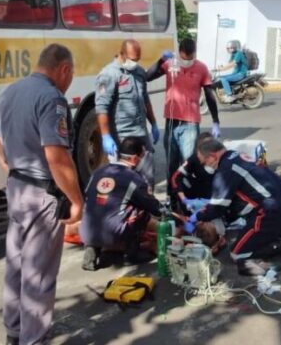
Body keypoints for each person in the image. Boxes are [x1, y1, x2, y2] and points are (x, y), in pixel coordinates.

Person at [0, 43, 83, 345]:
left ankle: (15, 331)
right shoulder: (51, 98)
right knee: (39, 272)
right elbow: (57, 156)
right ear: (63, 69)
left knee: (16, 264)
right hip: (41, 194)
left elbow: (0, 147)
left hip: (16, 188)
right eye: (71, 74)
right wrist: (76, 200)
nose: (69, 80)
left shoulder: (10, 93)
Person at [194, 137, 281, 276]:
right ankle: (280, 234)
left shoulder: (226, 170)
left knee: (238, 254)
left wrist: (197, 216)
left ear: (213, 156)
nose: (205, 166)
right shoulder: (237, 156)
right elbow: (235, 202)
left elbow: (216, 208)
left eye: (204, 162)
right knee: (249, 227)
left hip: (273, 211)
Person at [146, 38, 221, 184]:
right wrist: (161, 60)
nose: (187, 62)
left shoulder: (201, 68)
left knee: (188, 164)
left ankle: (187, 198)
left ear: (195, 53)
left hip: (190, 125)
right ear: (179, 53)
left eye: (190, 58)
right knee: (171, 165)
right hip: (171, 122)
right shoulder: (170, 64)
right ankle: (172, 199)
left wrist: (215, 120)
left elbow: (209, 95)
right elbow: (148, 77)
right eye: (184, 58)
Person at [80, 136, 161, 271]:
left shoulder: (98, 171)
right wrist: (165, 211)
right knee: (142, 211)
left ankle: (92, 249)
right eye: (143, 156)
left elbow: (88, 196)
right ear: (135, 158)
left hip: (86, 231)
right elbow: (153, 207)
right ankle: (131, 254)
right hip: (113, 235)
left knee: (98, 204)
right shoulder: (134, 179)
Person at [95, 39, 159, 187]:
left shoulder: (139, 72)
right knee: (123, 183)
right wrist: (105, 136)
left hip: (141, 135)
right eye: (132, 59)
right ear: (122, 54)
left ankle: (147, 208)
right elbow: (102, 108)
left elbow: (145, 99)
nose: (135, 63)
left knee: (147, 180)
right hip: (122, 138)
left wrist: (154, 123)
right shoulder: (109, 74)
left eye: (137, 59)